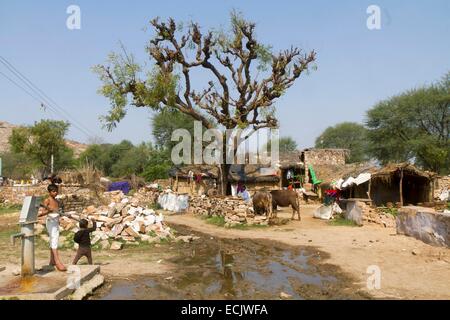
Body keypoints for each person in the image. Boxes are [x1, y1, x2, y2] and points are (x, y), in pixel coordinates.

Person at [38, 184, 67, 271]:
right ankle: (57, 262)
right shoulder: (47, 200)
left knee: (54, 240)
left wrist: (60, 219)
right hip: (50, 222)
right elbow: (41, 214)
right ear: (49, 192)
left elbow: (57, 212)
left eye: (56, 191)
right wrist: (48, 211)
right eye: (53, 191)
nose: (56, 193)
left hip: (55, 222)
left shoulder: (56, 201)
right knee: (54, 239)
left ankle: (52, 261)